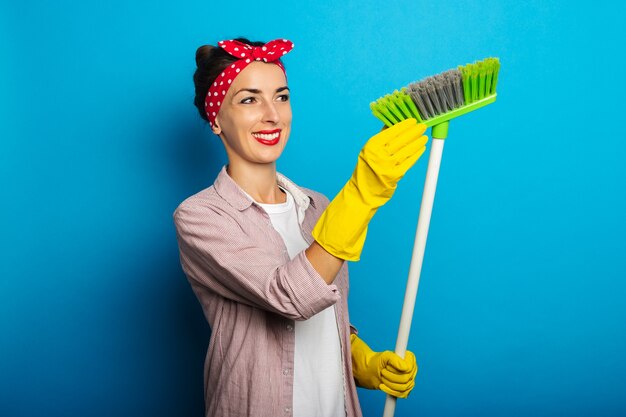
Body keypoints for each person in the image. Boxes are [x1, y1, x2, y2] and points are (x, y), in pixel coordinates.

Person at [173, 37, 428, 417]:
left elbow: (327, 323)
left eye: (281, 96)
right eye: (249, 99)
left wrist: (367, 363)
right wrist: (362, 194)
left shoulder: (318, 207)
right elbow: (291, 298)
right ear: (215, 119)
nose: (272, 114)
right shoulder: (201, 217)